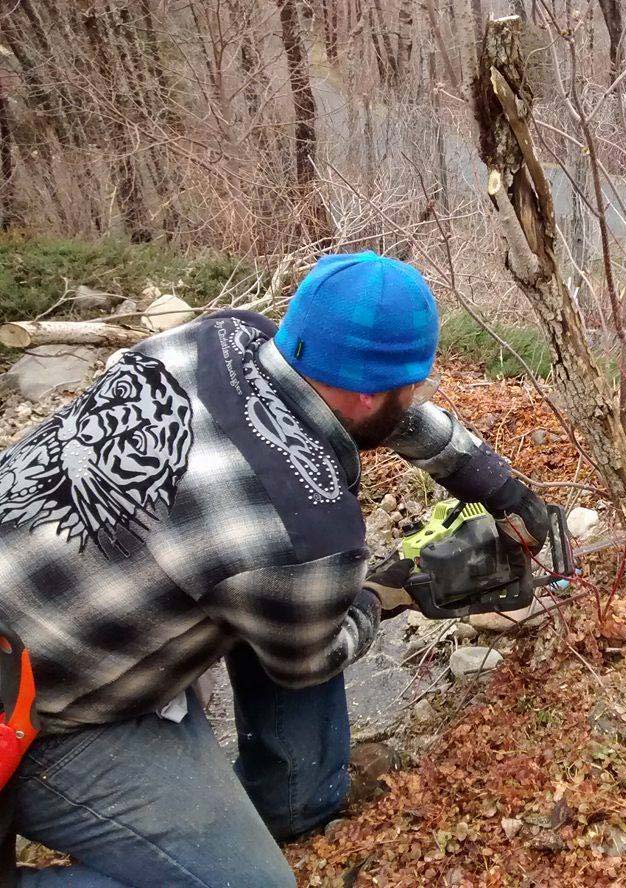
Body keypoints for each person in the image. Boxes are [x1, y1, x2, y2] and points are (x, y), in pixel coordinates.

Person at [0, 251, 549, 886]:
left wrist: (484, 476)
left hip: (48, 598)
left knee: (278, 591)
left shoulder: (224, 336)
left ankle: (293, 798)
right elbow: (308, 659)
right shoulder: (301, 531)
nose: (418, 394)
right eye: (415, 384)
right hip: (39, 713)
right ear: (373, 394)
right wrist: (385, 594)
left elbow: (354, 401)